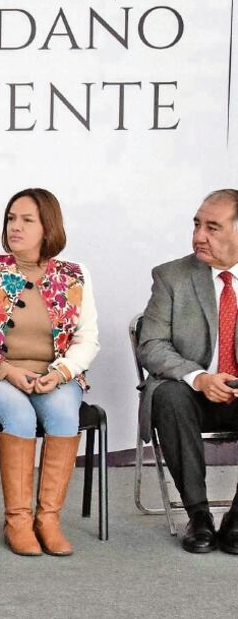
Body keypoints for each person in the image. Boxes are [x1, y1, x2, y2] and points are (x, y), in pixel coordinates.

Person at [0, 188, 98, 556]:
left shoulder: (75, 275)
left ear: (48, 225)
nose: (14, 226)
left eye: (26, 220)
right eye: (11, 218)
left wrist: (62, 372)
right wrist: (6, 371)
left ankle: (48, 520)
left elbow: (88, 340)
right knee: (18, 412)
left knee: (65, 414)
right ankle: (17, 521)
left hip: (54, 375)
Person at [138, 189, 238, 555]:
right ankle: (199, 515)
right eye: (197, 224)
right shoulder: (172, 277)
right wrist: (200, 377)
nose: (199, 236)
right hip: (191, 394)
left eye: (213, 227)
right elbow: (151, 345)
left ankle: (237, 517)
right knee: (167, 394)